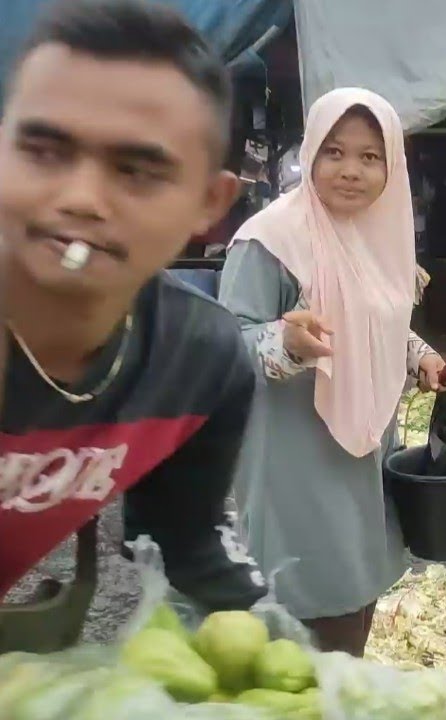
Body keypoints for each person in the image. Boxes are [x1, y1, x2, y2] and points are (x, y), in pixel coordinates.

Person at [0, 0, 265, 652]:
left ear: (209, 204)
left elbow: (186, 538)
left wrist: (278, 650)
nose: (81, 199)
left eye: (137, 171)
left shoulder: (199, 359)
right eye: (42, 150)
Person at [218, 88, 446, 657]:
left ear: (391, 166)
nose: (351, 171)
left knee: (358, 586)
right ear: (311, 154)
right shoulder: (270, 241)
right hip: (296, 456)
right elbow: (224, 345)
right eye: (335, 152)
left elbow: (377, 319)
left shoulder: (377, 237)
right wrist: (286, 343)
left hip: (367, 447)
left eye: (370, 157)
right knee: (310, 602)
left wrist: (418, 354)